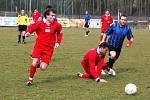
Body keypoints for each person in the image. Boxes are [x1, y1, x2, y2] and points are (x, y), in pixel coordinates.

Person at [25, 8, 63, 86]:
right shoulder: (40, 23)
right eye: (52, 15)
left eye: (54, 16)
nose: (53, 17)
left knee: (43, 68)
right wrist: (28, 32)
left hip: (49, 49)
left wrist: (58, 42)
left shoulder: (57, 25)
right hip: (39, 47)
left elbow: (60, 33)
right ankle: (30, 80)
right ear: (47, 15)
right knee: (34, 62)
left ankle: (40, 62)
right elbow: (31, 27)